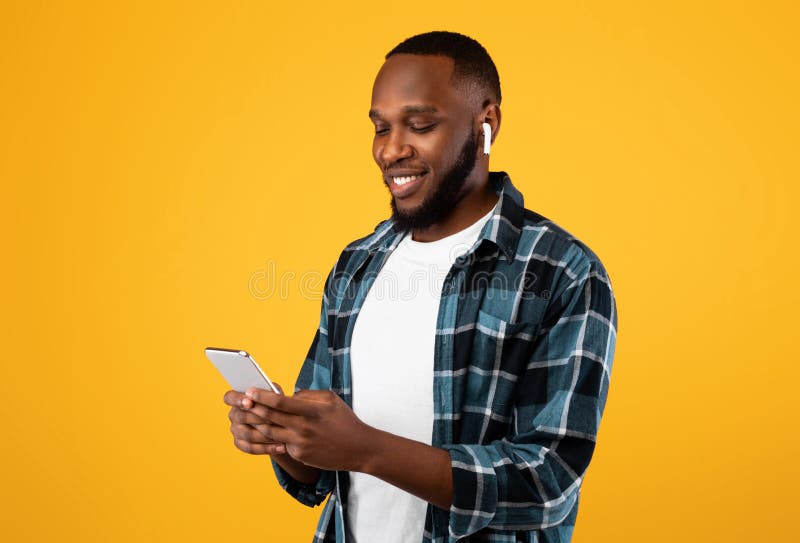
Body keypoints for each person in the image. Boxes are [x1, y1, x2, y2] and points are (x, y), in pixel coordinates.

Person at [223, 31, 617, 543]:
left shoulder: (561, 272)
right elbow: (322, 471)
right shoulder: (357, 264)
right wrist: (283, 437)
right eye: (381, 127)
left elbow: (546, 483)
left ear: (486, 125)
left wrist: (367, 448)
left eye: (420, 124)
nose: (390, 150)